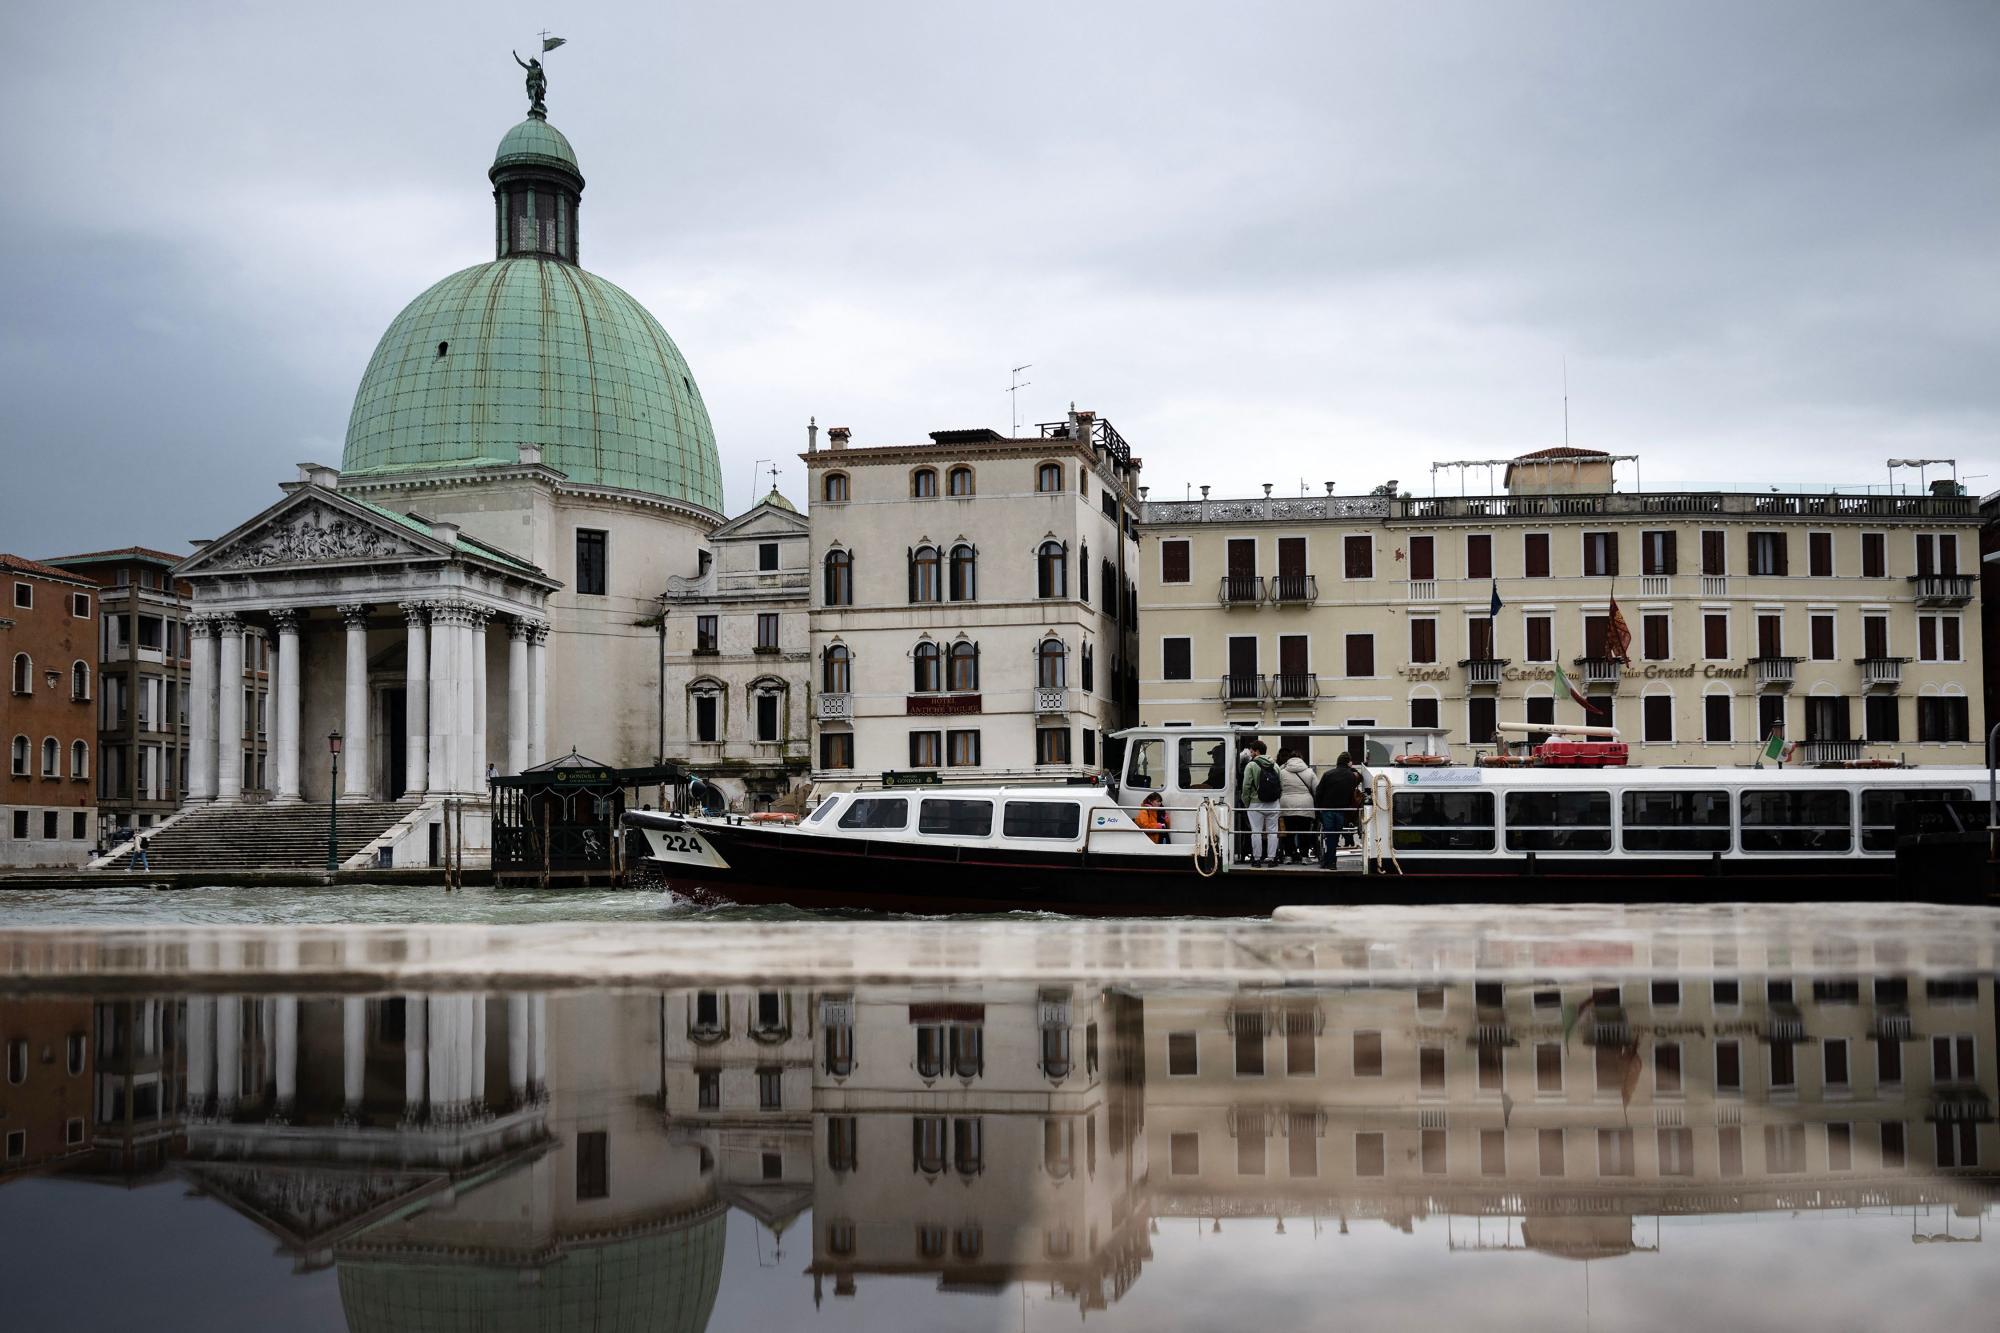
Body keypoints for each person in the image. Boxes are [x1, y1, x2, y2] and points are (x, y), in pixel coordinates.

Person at [1313, 755, 1363, 867]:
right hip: (1342, 810)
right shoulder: (1351, 776)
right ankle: (1330, 861)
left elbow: (1319, 792)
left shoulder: (1328, 774)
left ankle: (1330, 861)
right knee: (1335, 836)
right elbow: (1359, 781)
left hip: (1327, 809)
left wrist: (1319, 808)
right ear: (1348, 763)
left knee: (1330, 835)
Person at [1238, 739, 1281, 867]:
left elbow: (1246, 786)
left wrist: (1247, 802)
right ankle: (1272, 859)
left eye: (1252, 751)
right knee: (1273, 831)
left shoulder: (1251, 765)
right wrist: (1277, 799)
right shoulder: (1275, 765)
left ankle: (1256, 859)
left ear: (1257, 751)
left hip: (1256, 803)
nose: (1250, 754)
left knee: (1256, 831)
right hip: (1273, 803)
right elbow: (1281, 786)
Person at [1277, 748, 1318, 864]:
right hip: (1305, 806)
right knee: (1304, 832)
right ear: (1301, 759)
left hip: (1287, 805)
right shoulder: (1309, 772)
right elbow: (1316, 790)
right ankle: (1305, 857)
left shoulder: (1282, 772)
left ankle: (1288, 856)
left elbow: (1278, 788)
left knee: (1289, 832)